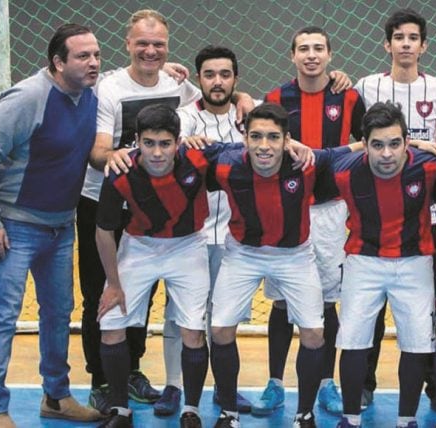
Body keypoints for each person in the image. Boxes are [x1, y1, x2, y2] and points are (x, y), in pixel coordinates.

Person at [0, 23, 103, 427]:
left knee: (58, 313)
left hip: (62, 227)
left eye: (97, 54)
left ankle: (57, 397)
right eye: (83, 56)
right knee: (2, 316)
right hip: (15, 228)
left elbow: (137, 75)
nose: (94, 62)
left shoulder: (91, 92)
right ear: (58, 62)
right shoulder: (28, 97)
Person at [77, 9, 198, 415]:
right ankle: (101, 378)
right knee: (102, 291)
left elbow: (214, 103)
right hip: (103, 202)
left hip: (152, 208)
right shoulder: (109, 89)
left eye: (158, 44)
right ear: (127, 44)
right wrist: (115, 157)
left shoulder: (177, 85)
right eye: (142, 43)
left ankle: (130, 370)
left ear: (167, 47)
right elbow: (97, 150)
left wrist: (244, 100)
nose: (150, 50)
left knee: (142, 294)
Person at [94, 104, 244, 428]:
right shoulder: (120, 170)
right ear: (137, 141)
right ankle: (120, 410)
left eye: (165, 143)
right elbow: (104, 231)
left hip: (188, 246)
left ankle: (190, 410)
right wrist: (114, 284)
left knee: (192, 330)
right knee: (110, 326)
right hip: (138, 247)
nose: (157, 152)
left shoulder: (199, 158)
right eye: (149, 143)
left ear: (178, 141)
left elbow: (251, 150)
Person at [209, 103, 353, 428]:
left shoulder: (308, 164)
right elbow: (190, 148)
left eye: (274, 137)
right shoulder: (224, 164)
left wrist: (421, 144)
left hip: (295, 255)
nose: (264, 145)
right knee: (219, 330)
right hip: (243, 253)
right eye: (256, 136)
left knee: (315, 334)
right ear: (243, 137)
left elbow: (356, 147)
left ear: (287, 140)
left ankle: (304, 414)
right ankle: (228, 413)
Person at [258, 26, 365, 416]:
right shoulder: (275, 98)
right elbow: (262, 138)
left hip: (332, 212)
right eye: (303, 48)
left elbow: (370, 141)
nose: (311, 55)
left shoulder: (349, 96)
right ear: (292, 56)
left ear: (330, 54)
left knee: (328, 300)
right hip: (286, 208)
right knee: (283, 300)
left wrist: (328, 157)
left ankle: (326, 383)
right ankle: (274, 382)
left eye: (318, 48)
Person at [329, 102, 436, 428]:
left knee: (416, 342)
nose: (386, 153)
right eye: (377, 145)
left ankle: (406, 420)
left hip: (415, 263)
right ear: (365, 145)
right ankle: (350, 418)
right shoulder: (342, 171)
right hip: (362, 261)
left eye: (395, 143)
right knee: (353, 340)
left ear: (407, 142)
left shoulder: (430, 166)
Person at [354, 9, 436, 409]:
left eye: (414, 37)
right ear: (387, 44)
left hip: (424, 219)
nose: (406, 44)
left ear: (424, 45)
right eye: (399, 37)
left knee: (425, 307)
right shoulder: (365, 86)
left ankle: (430, 381)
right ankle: (363, 383)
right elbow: (359, 142)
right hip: (374, 216)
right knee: (370, 309)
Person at [177, 44, 255, 414]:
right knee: (182, 317)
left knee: (224, 318)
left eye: (225, 74)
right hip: (189, 237)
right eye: (210, 74)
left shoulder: (248, 120)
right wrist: (182, 143)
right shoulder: (184, 119)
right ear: (198, 80)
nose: (218, 81)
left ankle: (227, 390)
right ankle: (175, 388)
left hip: (233, 237)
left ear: (236, 79)